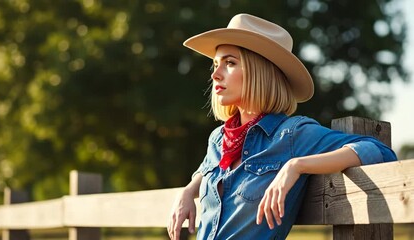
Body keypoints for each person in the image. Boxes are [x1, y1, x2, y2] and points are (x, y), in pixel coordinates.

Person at [167, 13, 397, 240]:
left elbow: (379, 151)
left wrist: (296, 166)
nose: (215, 74)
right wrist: (188, 191)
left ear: (259, 71)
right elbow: (208, 169)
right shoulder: (218, 139)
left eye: (229, 63)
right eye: (215, 65)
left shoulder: (292, 134)